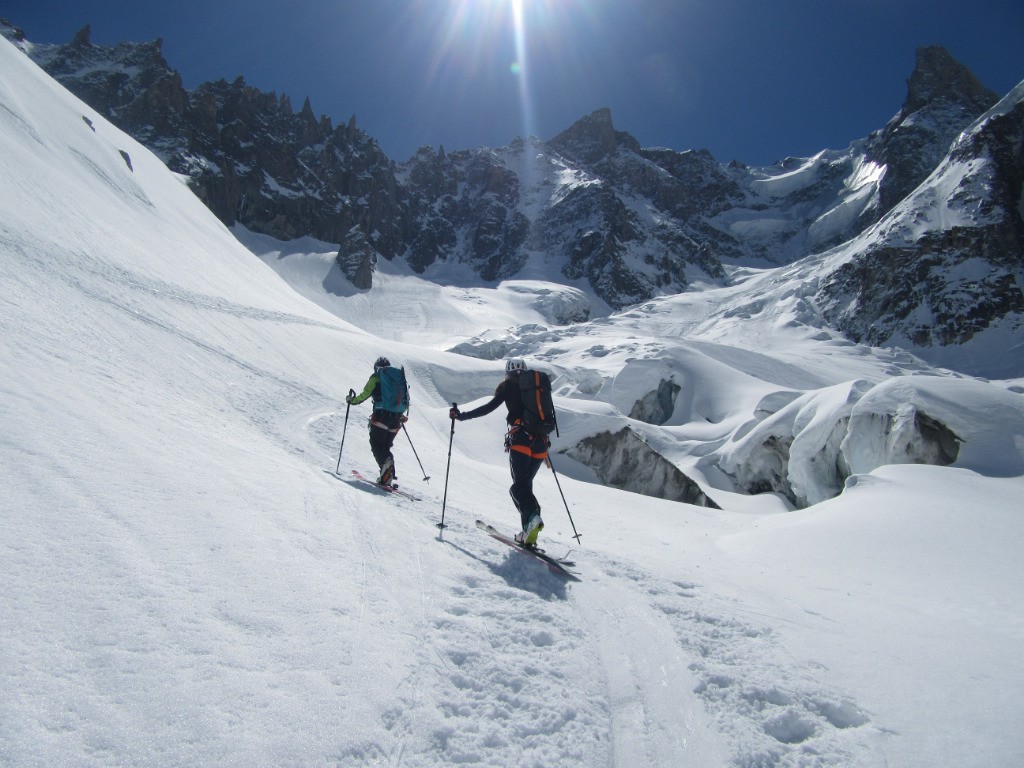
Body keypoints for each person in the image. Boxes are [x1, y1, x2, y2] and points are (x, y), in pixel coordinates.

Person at [449, 358, 547, 547]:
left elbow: (487, 409)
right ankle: (528, 530)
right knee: (526, 486)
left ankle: (533, 517)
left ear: (508, 372)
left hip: (521, 440)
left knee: (518, 488)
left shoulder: (508, 387)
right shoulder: (536, 388)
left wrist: (461, 416)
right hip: (541, 443)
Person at [346, 356, 408, 486]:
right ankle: (387, 475)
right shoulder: (397, 379)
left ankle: (386, 472)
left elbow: (365, 394)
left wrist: (352, 400)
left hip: (381, 417)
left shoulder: (375, 378)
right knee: (385, 447)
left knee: (376, 444)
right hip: (396, 420)